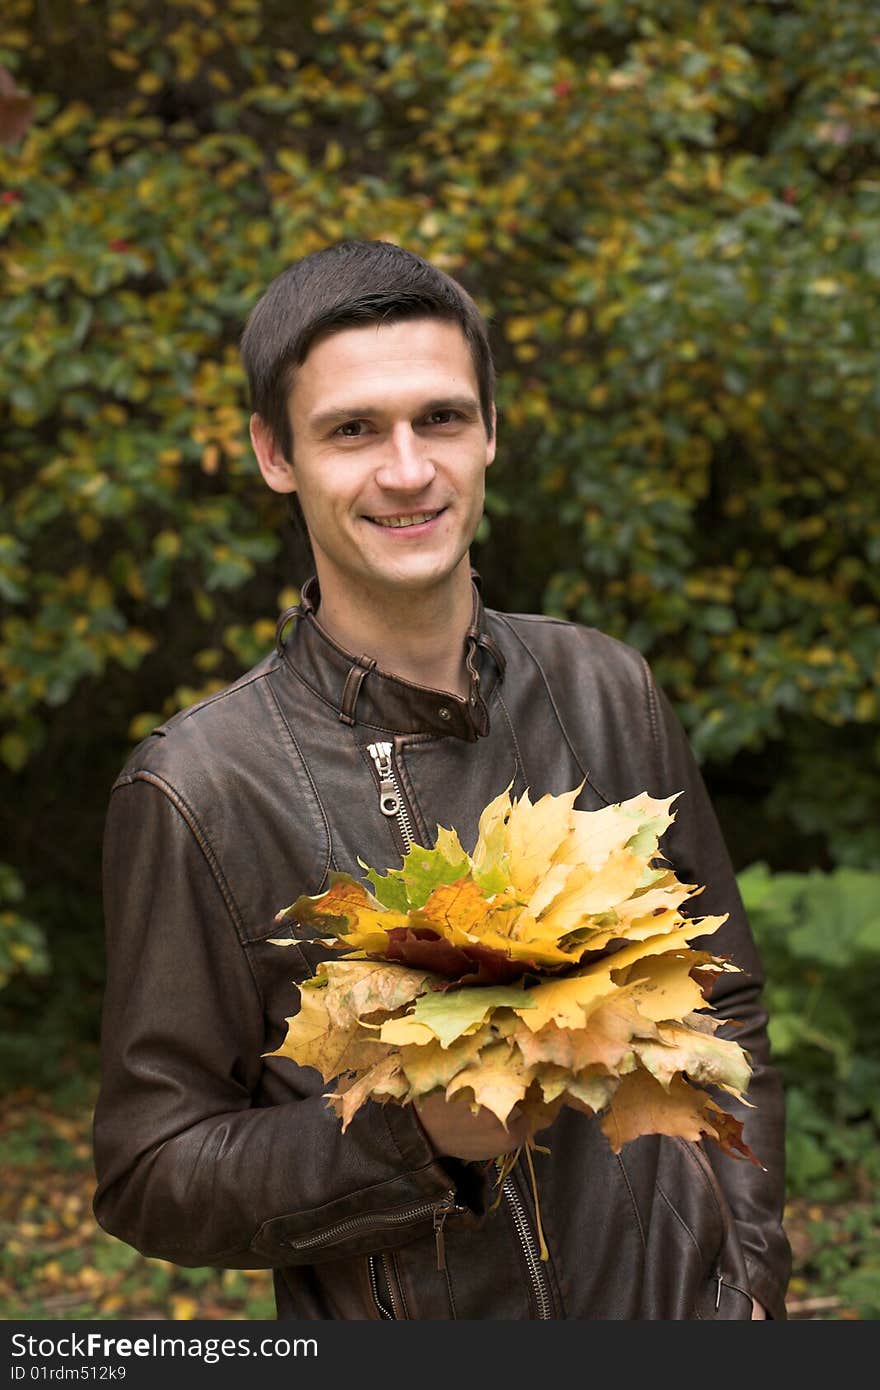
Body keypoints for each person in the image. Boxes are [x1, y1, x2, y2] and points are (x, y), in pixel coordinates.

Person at [92, 239, 792, 1320]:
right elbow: (151, 1168)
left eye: (441, 418)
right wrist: (411, 1143)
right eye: (353, 429)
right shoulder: (201, 787)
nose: (408, 468)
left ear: (490, 432)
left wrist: (743, 1280)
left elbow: (723, 1002)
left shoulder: (604, 688)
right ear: (275, 454)